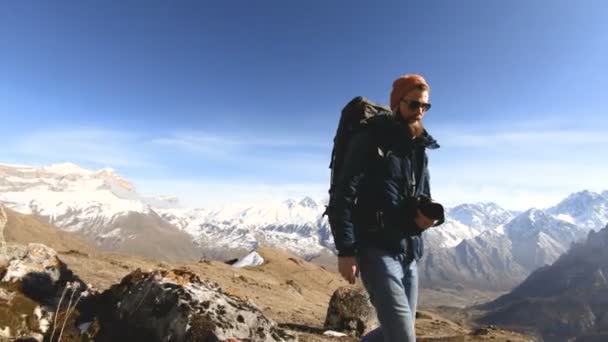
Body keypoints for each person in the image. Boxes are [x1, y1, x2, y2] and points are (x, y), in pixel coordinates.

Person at [330, 74, 440, 341]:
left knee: (398, 333)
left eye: (425, 106)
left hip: (409, 250)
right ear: (397, 103)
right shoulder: (370, 138)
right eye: (414, 105)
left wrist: (427, 215)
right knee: (404, 338)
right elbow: (343, 193)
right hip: (376, 248)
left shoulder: (418, 146)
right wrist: (346, 250)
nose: (420, 111)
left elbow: (422, 192)